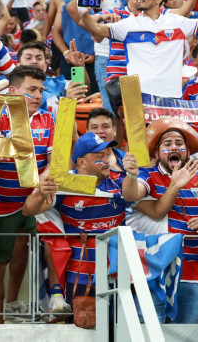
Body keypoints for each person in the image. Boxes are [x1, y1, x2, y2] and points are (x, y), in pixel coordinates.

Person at [23, 132, 130, 317]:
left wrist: (134, 175)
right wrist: (40, 193)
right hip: (79, 273)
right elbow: (28, 210)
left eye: (107, 154)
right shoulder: (65, 183)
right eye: (99, 157)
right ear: (81, 163)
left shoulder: (119, 182)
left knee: (115, 327)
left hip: (115, 272)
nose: (106, 160)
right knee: (79, 326)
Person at [0, 65, 54, 324]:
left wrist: (43, 187)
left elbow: (53, 162)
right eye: (31, 89)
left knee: (28, 251)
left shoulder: (48, 120)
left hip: (34, 200)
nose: (38, 95)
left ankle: (14, 303)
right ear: (12, 92)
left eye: (41, 90)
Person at [121, 117, 198, 323]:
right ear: (157, 153)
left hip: (191, 271)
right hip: (155, 270)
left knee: (187, 336)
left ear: (187, 150)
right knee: (148, 333)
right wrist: (131, 176)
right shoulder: (148, 175)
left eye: (179, 143)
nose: (174, 147)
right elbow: (131, 195)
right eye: (167, 144)